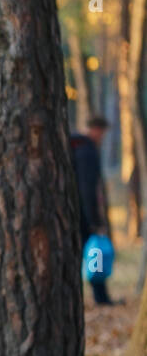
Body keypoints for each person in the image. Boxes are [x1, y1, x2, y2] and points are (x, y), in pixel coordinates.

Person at [71, 117, 114, 306]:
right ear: (96, 129)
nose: (102, 139)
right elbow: (87, 188)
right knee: (95, 255)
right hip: (82, 216)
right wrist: (94, 221)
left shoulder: (76, 146)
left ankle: (98, 296)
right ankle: (100, 297)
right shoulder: (86, 150)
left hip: (74, 212)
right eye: (102, 134)